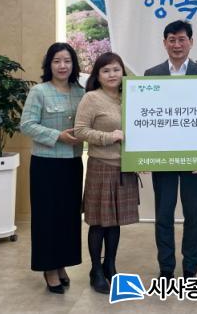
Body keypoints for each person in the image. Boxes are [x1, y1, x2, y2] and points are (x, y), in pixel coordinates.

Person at [144, 20, 197, 279]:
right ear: (164, 43)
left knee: (193, 215)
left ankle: (191, 267)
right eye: (171, 39)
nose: (177, 44)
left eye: (182, 39)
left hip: (195, 159)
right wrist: (145, 154)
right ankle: (166, 267)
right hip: (163, 158)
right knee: (164, 214)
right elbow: (146, 117)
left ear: (191, 42)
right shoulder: (152, 74)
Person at [20, 43, 84, 295]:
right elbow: (26, 125)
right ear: (49, 64)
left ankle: (62, 263)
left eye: (67, 61)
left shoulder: (81, 92)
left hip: (73, 163)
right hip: (46, 164)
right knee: (47, 218)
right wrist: (58, 136)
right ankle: (49, 268)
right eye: (57, 61)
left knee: (68, 217)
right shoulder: (39, 92)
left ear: (73, 64)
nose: (62, 66)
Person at [74, 52, 139, 294]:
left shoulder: (131, 96)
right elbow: (80, 131)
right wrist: (108, 137)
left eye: (116, 69)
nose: (112, 74)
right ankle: (96, 270)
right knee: (99, 223)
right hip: (101, 167)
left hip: (125, 167)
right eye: (106, 70)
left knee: (115, 222)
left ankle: (110, 265)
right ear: (98, 75)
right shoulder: (91, 98)